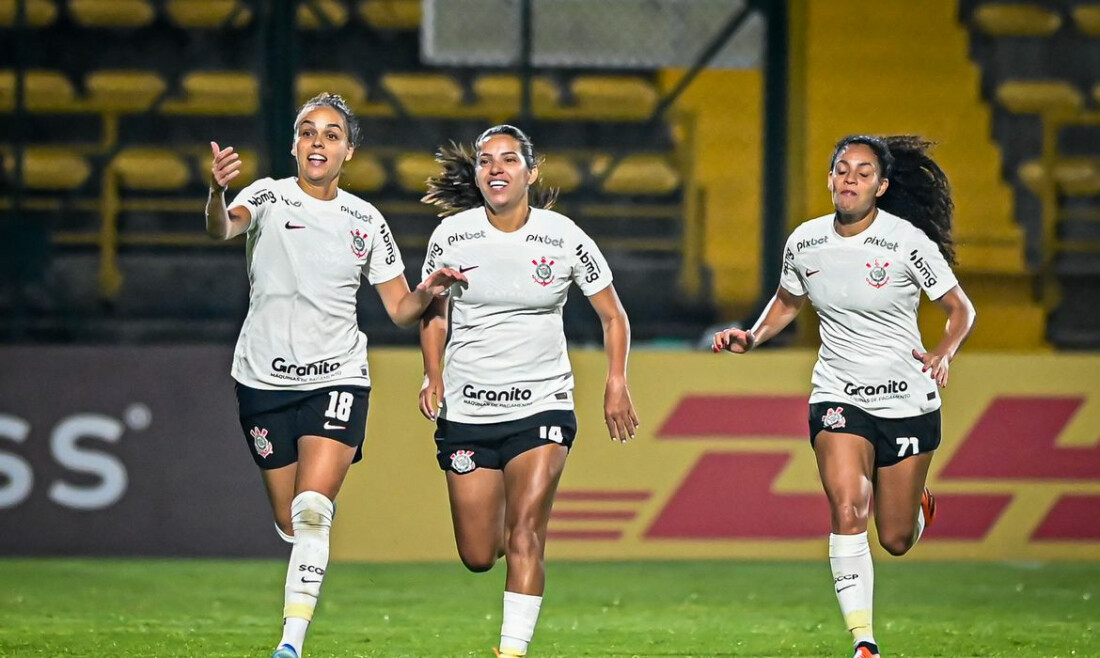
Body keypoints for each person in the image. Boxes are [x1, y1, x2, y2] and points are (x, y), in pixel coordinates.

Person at [205, 92, 466, 658]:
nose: (317, 142)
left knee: (312, 510)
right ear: (295, 144)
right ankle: (306, 541)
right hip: (262, 382)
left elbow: (400, 310)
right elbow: (223, 229)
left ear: (348, 151)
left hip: (337, 378)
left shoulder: (365, 220)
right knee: (290, 520)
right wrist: (216, 191)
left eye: (330, 134)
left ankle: (289, 644)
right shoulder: (267, 196)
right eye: (308, 132)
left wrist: (431, 289)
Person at [713, 135, 976, 658]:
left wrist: (943, 352)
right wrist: (753, 336)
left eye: (862, 172)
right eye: (842, 169)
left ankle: (915, 505)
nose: (849, 179)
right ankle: (864, 641)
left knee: (896, 539)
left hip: (907, 400)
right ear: (830, 179)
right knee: (848, 507)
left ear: (880, 186)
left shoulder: (906, 242)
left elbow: (960, 309)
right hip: (838, 394)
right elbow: (789, 300)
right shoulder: (806, 242)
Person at [417, 125, 640, 657]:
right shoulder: (451, 235)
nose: (496, 168)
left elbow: (613, 316)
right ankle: (506, 545)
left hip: (543, 407)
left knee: (525, 533)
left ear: (530, 173)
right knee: (478, 553)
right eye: (486, 160)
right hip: (468, 410)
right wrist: (433, 373)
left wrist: (616, 381)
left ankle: (511, 651)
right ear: (476, 174)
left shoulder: (563, 237)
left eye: (509, 159)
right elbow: (433, 313)